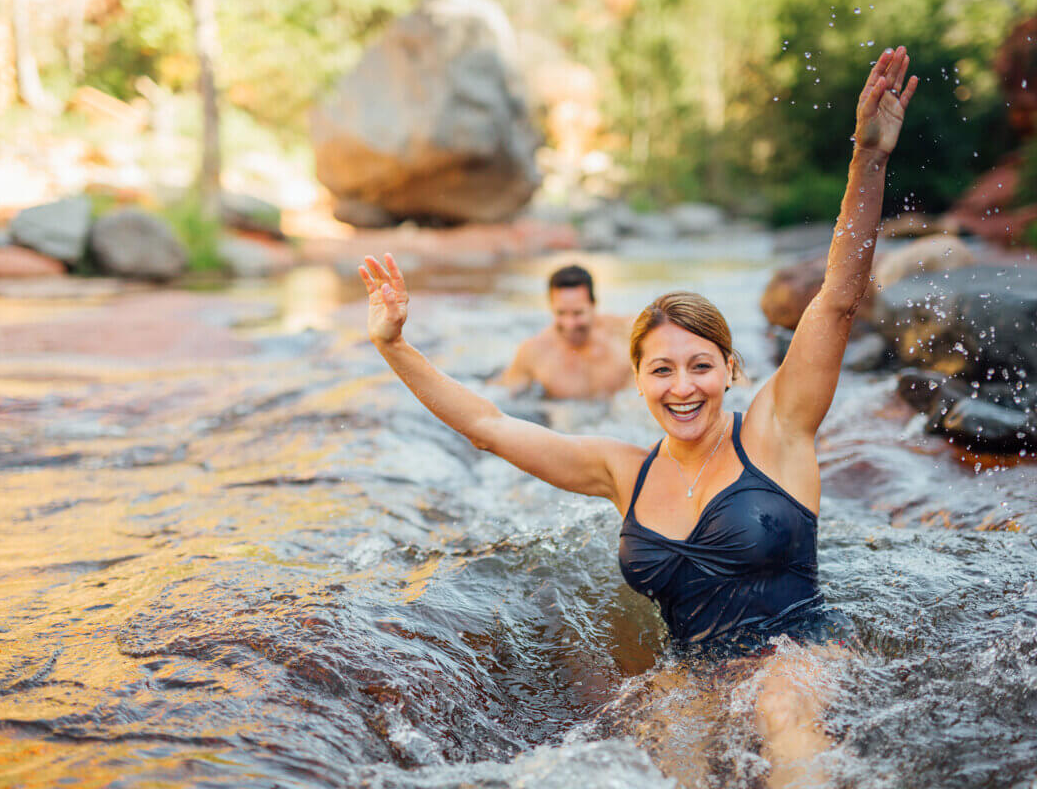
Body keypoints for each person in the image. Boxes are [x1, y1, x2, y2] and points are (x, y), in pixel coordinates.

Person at [359, 47, 918, 789]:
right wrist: (395, 346)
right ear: (639, 381)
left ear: (730, 370)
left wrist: (868, 158)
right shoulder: (621, 471)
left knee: (786, 719)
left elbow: (838, 300)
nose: (682, 387)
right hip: (692, 675)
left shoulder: (777, 431)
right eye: (662, 369)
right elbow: (490, 424)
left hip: (796, 658)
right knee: (668, 747)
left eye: (699, 366)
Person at [494, 264, 632, 399]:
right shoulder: (533, 352)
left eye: (578, 313)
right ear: (551, 307)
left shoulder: (624, 335)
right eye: (561, 313)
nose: (569, 324)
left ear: (593, 305)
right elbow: (501, 397)